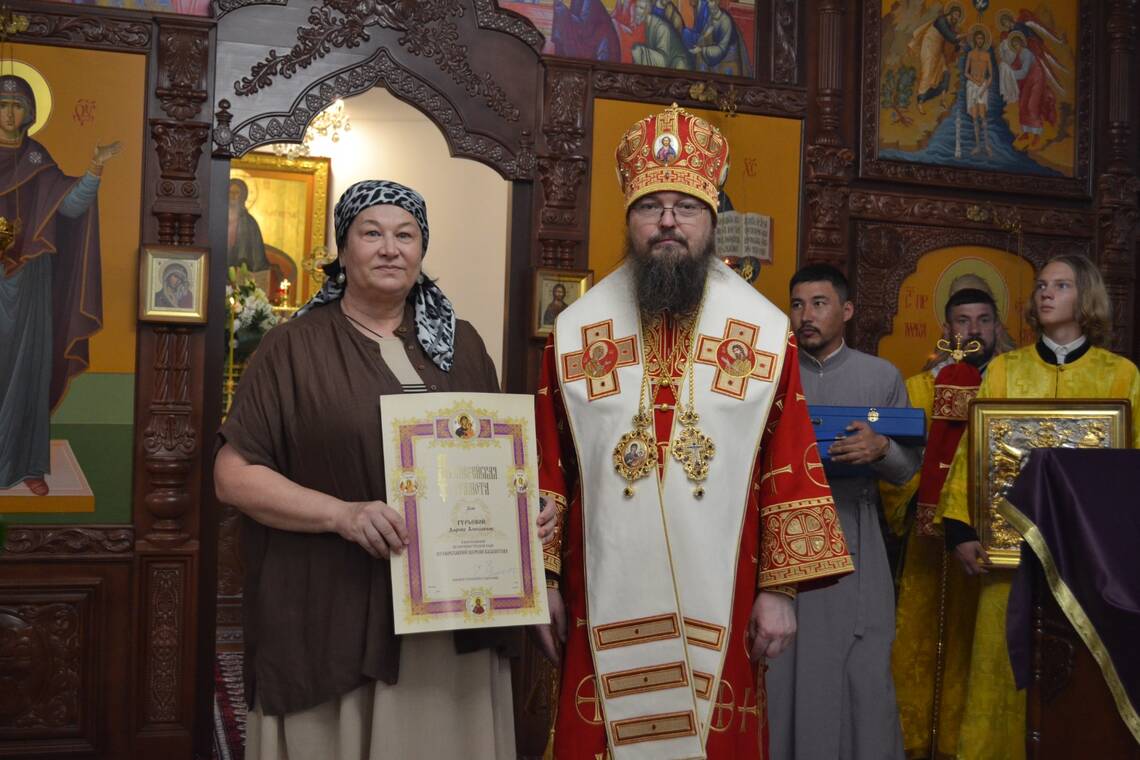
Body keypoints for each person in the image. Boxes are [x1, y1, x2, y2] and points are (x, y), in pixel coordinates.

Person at [532, 104, 853, 759]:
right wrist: (544, 580)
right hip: (601, 586)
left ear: (712, 221)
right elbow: (548, 464)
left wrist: (779, 591)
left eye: (686, 207)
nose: (668, 221)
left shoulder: (763, 333)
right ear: (630, 220)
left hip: (726, 591)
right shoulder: (576, 332)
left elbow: (788, 460)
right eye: (652, 207)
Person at [214, 180, 519, 759]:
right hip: (333, 602)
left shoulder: (462, 345)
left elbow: (497, 461)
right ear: (343, 248)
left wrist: (527, 509)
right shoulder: (293, 347)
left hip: (450, 609)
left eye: (405, 235)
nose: (389, 248)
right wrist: (343, 515)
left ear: (422, 249)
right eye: (371, 233)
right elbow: (232, 475)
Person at [935, 254, 1140, 760]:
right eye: (1042, 285)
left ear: (1086, 297)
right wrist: (961, 529)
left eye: (1061, 286)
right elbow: (973, 453)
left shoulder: (1122, 376)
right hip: (1010, 557)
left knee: (1084, 683)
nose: (1046, 293)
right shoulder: (1007, 369)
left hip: (1091, 566)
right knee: (1000, 673)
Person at [767, 263, 920, 760]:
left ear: (847, 310)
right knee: (781, 667)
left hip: (855, 535)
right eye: (797, 305)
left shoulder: (881, 376)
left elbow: (907, 472)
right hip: (780, 540)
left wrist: (881, 450)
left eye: (819, 303)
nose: (805, 316)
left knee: (862, 671)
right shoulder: (770, 371)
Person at [880, 285, 1011, 759]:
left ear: (997, 327)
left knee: (978, 642)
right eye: (963, 320)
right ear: (947, 328)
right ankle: (913, 742)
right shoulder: (918, 388)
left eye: (983, 320)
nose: (973, 330)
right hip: (928, 541)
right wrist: (923, 501)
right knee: (920, 634)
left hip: (992, 542)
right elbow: (896, 460)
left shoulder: (1011, 385)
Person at [0, 74, 120, 496]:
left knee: (30, 368)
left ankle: (28, 464)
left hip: (30, 280)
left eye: (17, 105)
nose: (9, 113)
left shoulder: (37, 159)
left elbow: (69, 207)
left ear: (29, 113)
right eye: (2, 105)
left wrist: (95, 167)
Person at [908, 2, 963, 115]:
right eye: (956, 14)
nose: (957, 17)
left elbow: (953, 42)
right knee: (927, 73)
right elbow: (951, 38)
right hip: (929, 47)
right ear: (951, 13)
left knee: (945, 72)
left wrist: (959, 46)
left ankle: (943, 99)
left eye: (958, 16)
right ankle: (920, 102)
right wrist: (965, 35)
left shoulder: (950, 26)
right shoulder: (941, 21)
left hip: (938, 51)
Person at [227, 178, 271, 273]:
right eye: (230, 192)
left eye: (236, 192)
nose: (233, 195)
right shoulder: (219, 219)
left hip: (242, 272)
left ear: (242, 196)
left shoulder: (250, 223)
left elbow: (257, 255)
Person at [965, 26, 994, 156]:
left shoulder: (987, 55)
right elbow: (966, 72)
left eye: (982, 38)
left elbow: (991, 75)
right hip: (972, 86)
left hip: (982, 86)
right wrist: (974, 81)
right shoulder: (970, 54)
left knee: (983, 117)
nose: (980, 40)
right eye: (978, 38)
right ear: (975, 40)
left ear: (984, 40)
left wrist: (984, 88)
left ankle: (987, 145)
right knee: (975, 117)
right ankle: (977, 145)